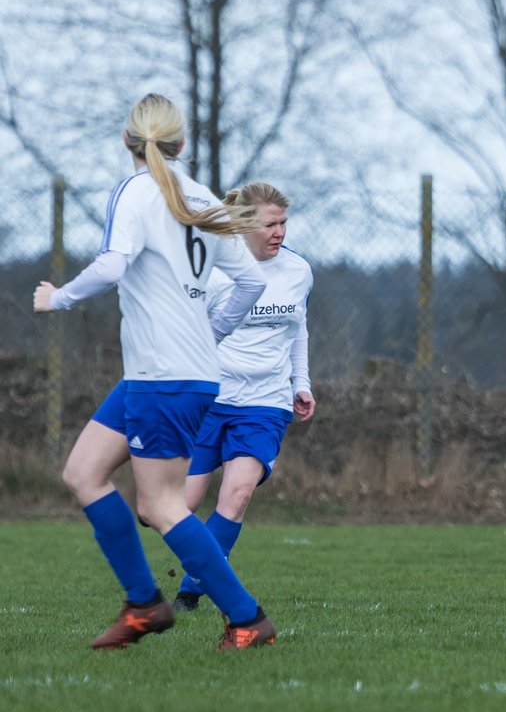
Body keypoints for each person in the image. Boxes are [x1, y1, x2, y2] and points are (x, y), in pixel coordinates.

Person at [33, 93, 279, 651]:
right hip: (168, 373)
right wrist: (209, 334)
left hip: (162, 377)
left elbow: (114, 264)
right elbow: (251, 283)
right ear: (181, 143)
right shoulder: (200, 196)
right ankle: (144, 603)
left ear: (129, 143)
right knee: (83, 472)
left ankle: (246, 618)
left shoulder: (136, 191)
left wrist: (60, 298)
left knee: (160, 505)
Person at [173, 182, 315, 613]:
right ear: (244, 225)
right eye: (271, 224)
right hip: (210, 400)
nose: (280, 232)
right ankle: (180, 578)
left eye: (283, 223)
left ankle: (189, 593)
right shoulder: (214, 274)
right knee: (179, 506)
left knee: (236, 495)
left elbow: (298, 331)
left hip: (265, 405)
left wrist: (300, 383)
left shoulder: (298, 272)